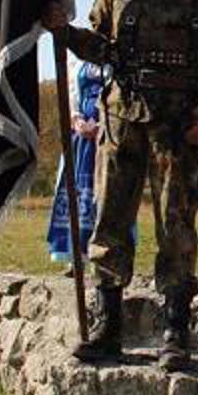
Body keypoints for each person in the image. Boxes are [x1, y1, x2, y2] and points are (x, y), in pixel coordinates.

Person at [42, 0, 198, 369]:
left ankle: (175, 331)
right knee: (110, 221)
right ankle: (108, 329)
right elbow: (102, 46)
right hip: (122, 113)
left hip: (179, 117)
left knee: (175, 225)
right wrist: (63, 32)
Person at [46, 61, 109, 270]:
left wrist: (103, 125)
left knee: (105, 196)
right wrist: (77, 119)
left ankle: (103, 260)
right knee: (76, 193)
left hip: (109, 136)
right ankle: (76, 257)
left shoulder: (117, 55)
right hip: (80, 137)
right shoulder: (78, 60)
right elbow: (72, 93)